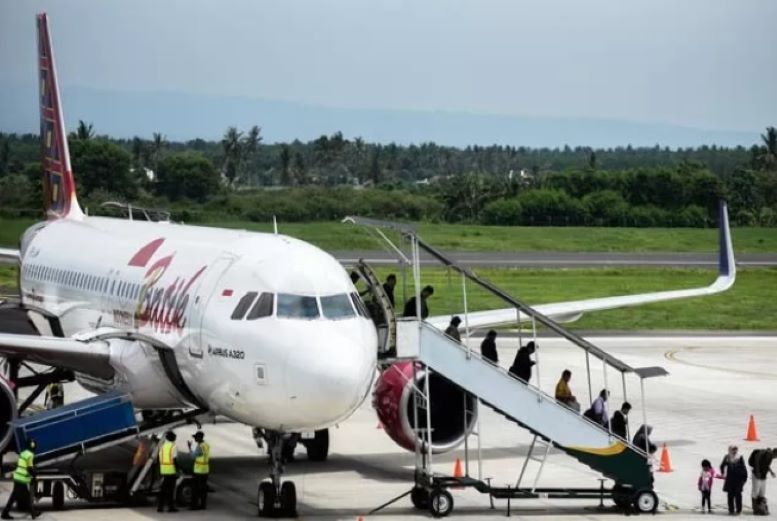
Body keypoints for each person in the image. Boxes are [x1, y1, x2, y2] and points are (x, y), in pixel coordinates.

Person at [2, 439, 39, 520]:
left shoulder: (23, 453)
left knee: (24, 496)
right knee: (19, 496)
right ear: (33, 446)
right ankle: (5, 513)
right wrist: (34, 476)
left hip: (18, 477)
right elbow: (30, 468)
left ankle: (33, 513)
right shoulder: (30, 455)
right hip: (21, 479)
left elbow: (23, 465)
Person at [720, 445, 748, 515]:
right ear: (730, 450)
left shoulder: (739, 457)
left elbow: (743, 467)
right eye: (733, 449)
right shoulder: (727, 457)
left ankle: (739, 510)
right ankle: (731, 510)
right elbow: (722, 466)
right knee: (730, 495)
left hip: (738, 479)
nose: (735, 451)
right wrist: (723, 473)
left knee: (738, 495)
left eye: (736, 449)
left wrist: (744, 477)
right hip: (730, 479)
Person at [188, 431, 211, 510]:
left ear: (199, 438)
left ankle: (194, 505)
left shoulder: (199, 447)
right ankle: (203, 505)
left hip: (198, 471)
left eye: (195, 437)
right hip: (205, 470)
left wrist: (189, 448)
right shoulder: (206, 445)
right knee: (203, 489)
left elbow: (193, 457)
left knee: (196, 489)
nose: (194, 439)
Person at [157, 431, 179, 513]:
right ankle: (171, 507)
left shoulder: (162, 447)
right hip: (171, 471)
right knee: (171, 490)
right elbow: (174, 460)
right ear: (173, 438)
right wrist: (178, 470)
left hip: (163, 470)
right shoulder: (173, 446)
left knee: (163, 490)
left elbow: (159, 459)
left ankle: (160, 507)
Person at [748, 447, 775, 515]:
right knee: (755, 492)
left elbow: (767, 465)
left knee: (762, 492)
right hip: (757, 476)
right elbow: (757, 461)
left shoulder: (770, 456)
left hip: (763, 476)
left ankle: (760, 507)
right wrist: (757, 472)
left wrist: (771, 472)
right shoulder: (764, 453)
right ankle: (755, 509)